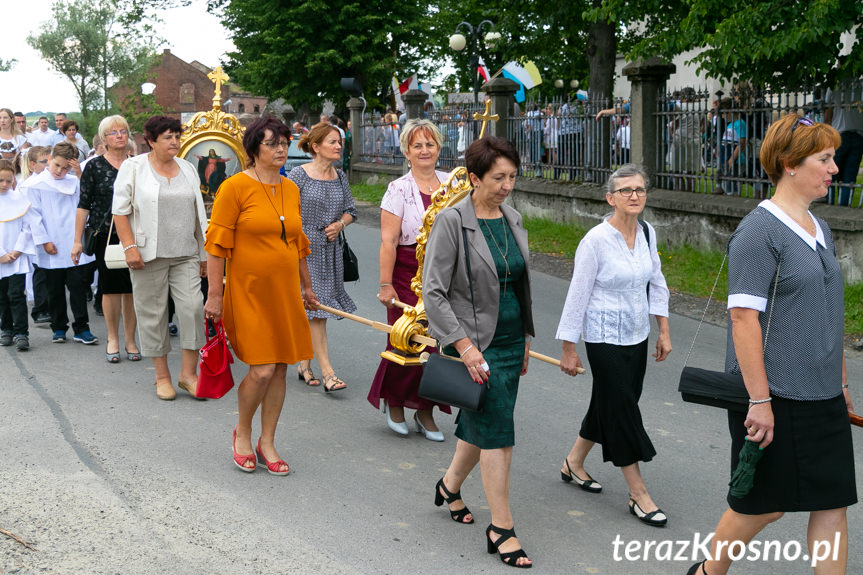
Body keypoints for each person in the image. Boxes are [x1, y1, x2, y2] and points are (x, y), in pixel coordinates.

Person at [687, 115, 855, 575]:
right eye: (823, 159)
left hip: (822, 393)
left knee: (831, 503)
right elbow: (743, 319)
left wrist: (838, 381)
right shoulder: (759, 231)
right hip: (773, 395)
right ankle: (707, 572)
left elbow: (827, 309)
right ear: (788, 164)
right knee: (762, 505)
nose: (834, 169)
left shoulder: (822, 229)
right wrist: (759, 400)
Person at [423, 136, 535, 568]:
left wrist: (525, 339)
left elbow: (519, 285)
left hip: (510, 341)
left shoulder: (514, 218)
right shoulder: (452, 221)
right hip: (478, 346)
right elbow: (434, 292)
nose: (508, 185)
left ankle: (449, 486)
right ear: (474, 178)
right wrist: (465, 348)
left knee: (484, 420)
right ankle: (501, 527)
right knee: (498, 433)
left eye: (512, 177)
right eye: (498, 178)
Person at [555, 163, 672, 528]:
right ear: (611, 198)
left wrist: (663, 330)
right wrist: (569, 347)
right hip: (603, 336)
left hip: (636, 334)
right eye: (626, 191)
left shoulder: (648, 233)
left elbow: (658, 281)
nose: (635, 196)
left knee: (611, 402)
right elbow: (577, 295)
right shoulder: (595, 241)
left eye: (639, 189)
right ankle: (638, 493)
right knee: (621, 409)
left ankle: (573, 462)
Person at [205, 116, 319, 475]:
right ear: (253, 149)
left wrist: (307, 287)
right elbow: (216, 247)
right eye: (272, 143)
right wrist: (213, 295)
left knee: (281, 369)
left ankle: (267, 441)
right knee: (262, 370)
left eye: (284, 142)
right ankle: (243, 431)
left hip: (285, 292)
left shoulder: (291, 188)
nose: (281, 149)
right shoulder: (234, 187)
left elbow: (297, 244)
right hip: (248, 292)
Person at [112, 116, 208, 401]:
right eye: (168, 137)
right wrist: (129, 247)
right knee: (153, 315)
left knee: (192, 308)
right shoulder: (133, 168)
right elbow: (120, 211)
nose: (175, 142)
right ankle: (162, 377)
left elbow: (198, 214)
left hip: (186, 253)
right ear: (151, 141)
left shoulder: (189, 168)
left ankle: (188, 375)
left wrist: (204, 255)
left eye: (177, 136)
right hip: (147, 254)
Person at [368, 119, 452, 439]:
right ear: (406, 151)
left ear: (439, 148)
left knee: (438, 347)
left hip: (443, 277)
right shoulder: (398, 189)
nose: (424, 150)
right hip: (406, 274)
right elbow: (388, 241)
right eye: (417, 145)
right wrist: (385, 284)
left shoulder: (451, 185)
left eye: (430, 144)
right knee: (405, 341)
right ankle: (395, 403)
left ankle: (427, 411)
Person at [287, 121, 357, 392]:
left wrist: (340, 224)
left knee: (314, 309)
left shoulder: (340, 176)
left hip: (330, 252)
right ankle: (328, 373)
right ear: (316, 147)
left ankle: (304, 363)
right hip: (303, 250)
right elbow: (285, 211)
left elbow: (351, 209)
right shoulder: (298, 175)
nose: (339, 146)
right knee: (316, 310)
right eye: (332, 142)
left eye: (339, 141)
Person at [72, 116, 140, 363]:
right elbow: (83, 204)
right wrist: (77, 240)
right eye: (113, 133)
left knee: (132, 288)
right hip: (105, 235)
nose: (120, 135)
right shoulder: (94, 166)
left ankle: (131, 339)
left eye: (123, 131)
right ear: (103, 139)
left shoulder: (139, 165)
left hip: (134, 234)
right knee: (111, 288)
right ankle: (113, 337)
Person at [22, 142, 98, 345]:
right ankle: (58, 327)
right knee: (54, 289)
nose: (60, 171)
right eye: (57, 165)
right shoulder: (35, 185)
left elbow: (86, 204)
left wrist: (80, 176)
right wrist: (44, 240)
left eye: (66, 168)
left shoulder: (74, 182)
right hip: (51, 244)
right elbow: (33, 215)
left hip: (73, 242)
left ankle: (82, 327)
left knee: (78, 288)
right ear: (50, 159)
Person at [0, 159, 37, 351]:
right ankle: (6, 328)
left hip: (16, 257)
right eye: (1, 180)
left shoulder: (19, 200)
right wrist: (1, 255)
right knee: (2, 296)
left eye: (8, 180)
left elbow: (27, 228)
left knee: (16, 295)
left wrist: (16, 251)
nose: (5, 185)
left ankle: (21, 332)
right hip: (0, 259)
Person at [22, 146, 51, 324]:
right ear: (32, 165)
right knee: (39, 272)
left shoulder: (53, 181)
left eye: (50, 161)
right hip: (34, 235)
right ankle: (40, 309)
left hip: (52, 232)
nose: (48, 165)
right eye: (43, 162)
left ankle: (49, 306)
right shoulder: (27, 186)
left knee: (50, 274)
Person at [824, 83, 863, 206]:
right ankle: (844, 205)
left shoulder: (834, 85)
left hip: (839, 134)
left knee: (830, 172)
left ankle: (830, 202)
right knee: (849, 177)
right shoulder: (860, 86)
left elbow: (828, 110)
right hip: (858, 134)